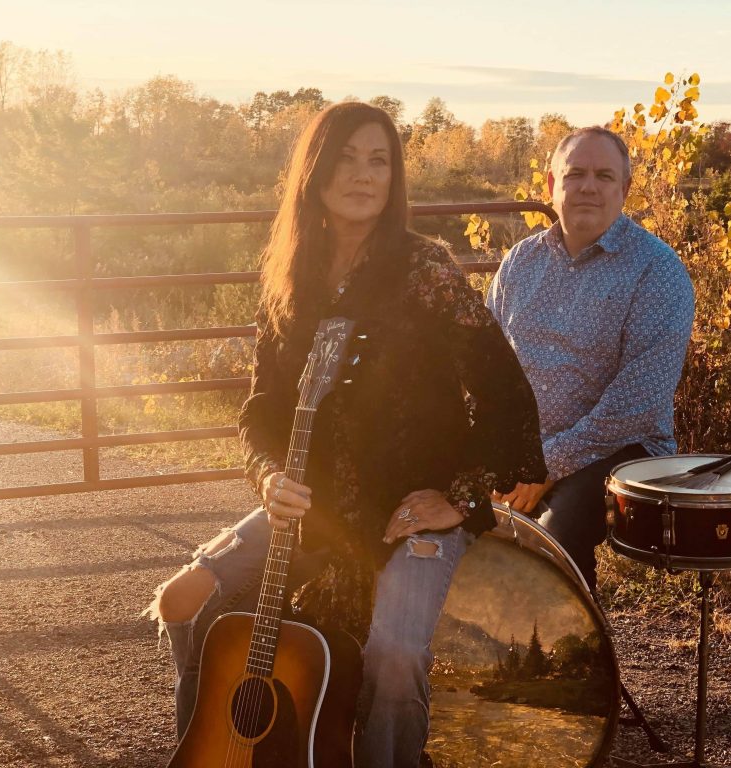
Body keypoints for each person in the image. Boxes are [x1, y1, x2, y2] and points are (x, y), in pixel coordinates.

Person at [146, 102, 546, 768]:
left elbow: (506, 393)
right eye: (346, 158)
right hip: (317, 502)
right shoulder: (289, 276)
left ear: (395, 179)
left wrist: (457, 494)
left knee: (393, 656)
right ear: (315, 172)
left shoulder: (426, 271)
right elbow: (262, 408)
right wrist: (270, 476)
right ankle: (226, 749)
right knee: (183, 601)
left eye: (379, 160)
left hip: (409, 508)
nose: (363, 175)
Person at [487, 126, 695, 593]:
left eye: (604, 176)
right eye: (575, 173)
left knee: (552, 541)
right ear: (550, 186)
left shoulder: (657, 271)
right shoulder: (520, 264)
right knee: (446, 520)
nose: (588, 186)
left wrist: (547, 466)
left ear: (624, 189)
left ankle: (572, 658)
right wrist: (491, 453)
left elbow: (637, 404)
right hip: (527, 446)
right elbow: (486, 368)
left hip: (618, 450)